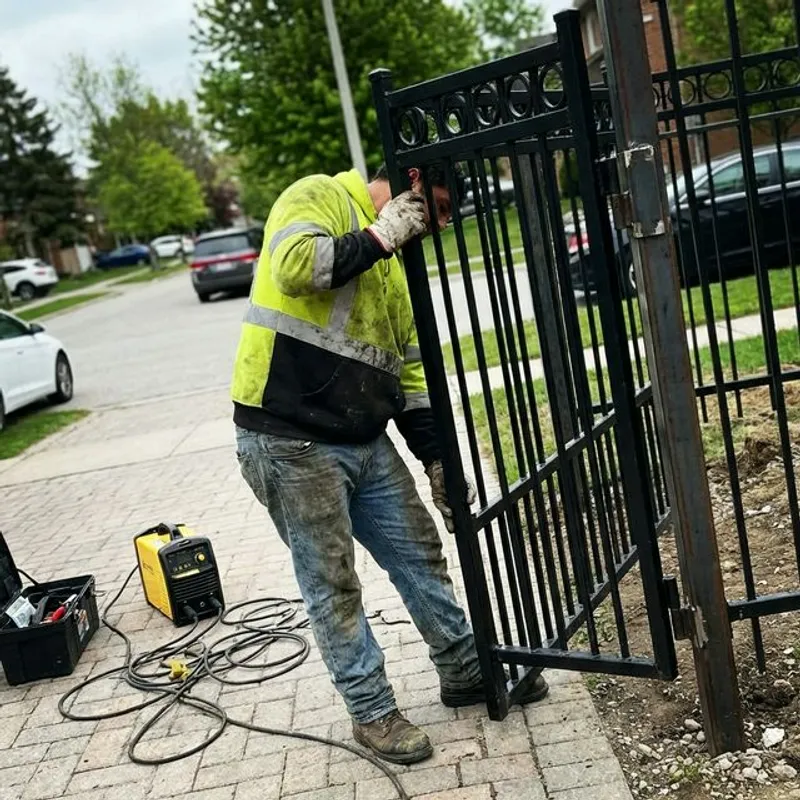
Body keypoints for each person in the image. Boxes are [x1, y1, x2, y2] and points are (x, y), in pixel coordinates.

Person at [231, 162, 548, 765]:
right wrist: (382, 234)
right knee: (333, 583)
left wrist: (435, 461)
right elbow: (296, 268)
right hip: (288, 437)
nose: (445, 223)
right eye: (443, 206)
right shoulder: (318, 195)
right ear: (411, 180)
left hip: (362, 437)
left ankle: (465, 672)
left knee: (420, 552)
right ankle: (372, 712)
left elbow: (409, 374)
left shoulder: (397, 268)